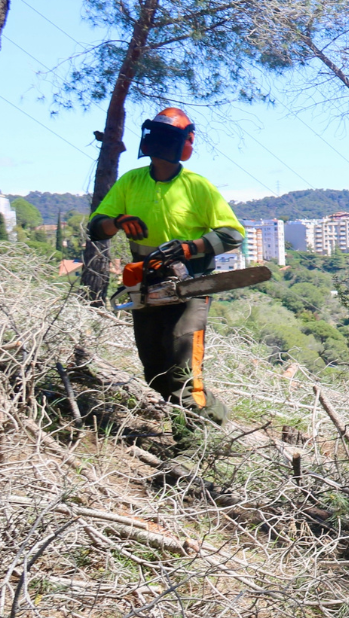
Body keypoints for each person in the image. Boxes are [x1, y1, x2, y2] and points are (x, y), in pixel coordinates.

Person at [87, 107, 243, 428]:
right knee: (156, 374)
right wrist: (117, 222)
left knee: (183, 374)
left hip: (191, 288)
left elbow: (231, 235)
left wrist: (190, 247)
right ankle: (215, 419)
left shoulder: (197, 186)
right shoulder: (131, 182)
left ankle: (192, 448)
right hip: (146, 287)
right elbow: (96, 228)